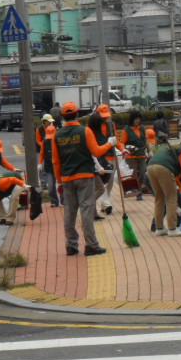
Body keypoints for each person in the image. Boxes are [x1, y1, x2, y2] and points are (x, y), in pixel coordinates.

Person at [51, 101, 117, 256]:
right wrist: (110, 143)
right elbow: (97, 151)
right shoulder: (85, 131)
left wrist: (59, 180)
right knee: (86, 210)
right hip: (85, 176)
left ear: (62, 116)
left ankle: (71, 245)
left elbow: (55, 160)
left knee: (70, 211)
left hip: (67, 177)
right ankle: (91, 245)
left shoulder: (57, 135)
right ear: (77, 114)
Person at [145, 134, 181, 236]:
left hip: (150, 167)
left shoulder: (174, 147)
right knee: (171, 198)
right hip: (163, 168)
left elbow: (177, 176)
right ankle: (172, 229)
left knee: (159, 198)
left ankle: (159, 228)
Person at [89, 106, 123, 216]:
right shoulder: (92, 126)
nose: (105, 119)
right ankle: (107, 203)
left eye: (106, 116)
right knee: (102, 183)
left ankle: (104, 203)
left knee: (110, 182)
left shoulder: (111, 125)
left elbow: (115, 140)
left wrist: (123, 149)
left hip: (111, 156)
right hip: (99, 159)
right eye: (103, 116)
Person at [119, 110, 152, 200]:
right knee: (134, 175)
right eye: (136, 119)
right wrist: (124, 151)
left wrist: (150, 151)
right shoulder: (126, 130)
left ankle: (139, 188)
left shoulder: (142, 128)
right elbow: (122, 142)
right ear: (132, 119)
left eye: (139, 119)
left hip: (141, 155)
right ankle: (138, 192)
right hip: (131, 156)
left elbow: (145, 140)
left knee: (142, 173)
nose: (137, 120)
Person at [36, 114, 60, 207]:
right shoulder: (44, 142)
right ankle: (54, 201)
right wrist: (39, 163)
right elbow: (41, 153)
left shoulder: (58, 140)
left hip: (59, 166)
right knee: (50, 186)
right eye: (48, 121)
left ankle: (64, 201)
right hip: (49, 166)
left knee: (62, 185)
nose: (50, 122)